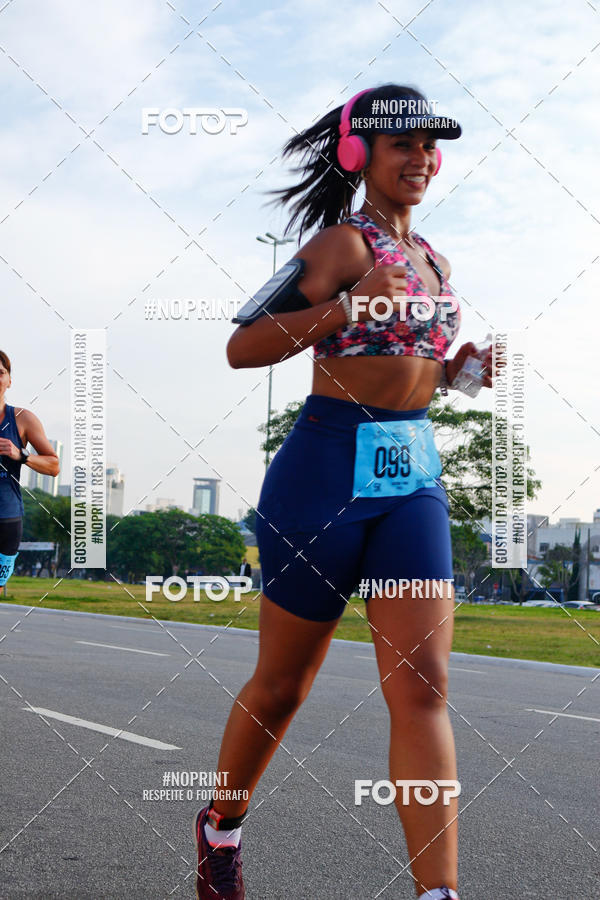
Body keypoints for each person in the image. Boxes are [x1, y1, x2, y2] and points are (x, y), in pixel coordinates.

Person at [194, 84, 493, 900]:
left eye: (431, 145)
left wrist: (460, 373)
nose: (422, 158)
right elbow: (242, 345)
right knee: (285, 685)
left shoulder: (436, 259)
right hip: (322, 477)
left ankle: (439, 893)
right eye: (403, 144)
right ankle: (221, 826)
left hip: (412, 481)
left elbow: (411, 364)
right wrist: (336, 310)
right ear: (361, 153)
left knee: (425, 685)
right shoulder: (340, 247)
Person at [0, 351, 60, 587]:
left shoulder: (23, 419)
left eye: (1, 373)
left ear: (9, 381)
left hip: (6, 517)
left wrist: (21, 454)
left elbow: (54, 466)